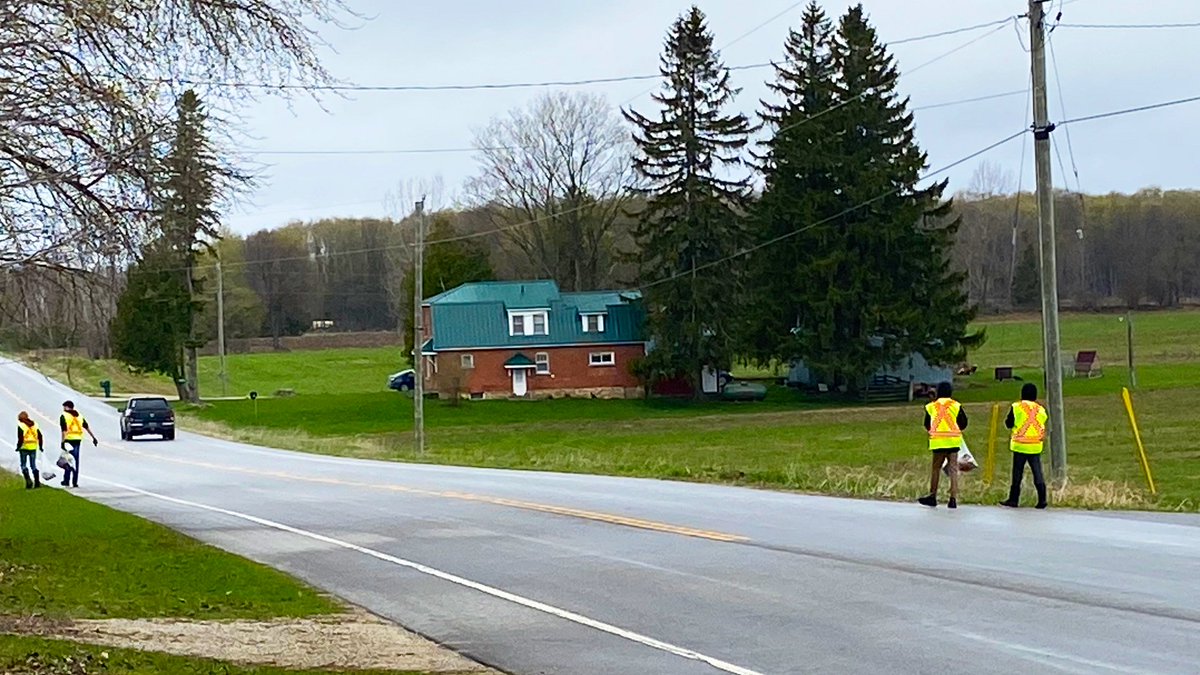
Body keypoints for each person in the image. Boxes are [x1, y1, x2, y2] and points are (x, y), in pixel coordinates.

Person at [918, 381, 968, 509]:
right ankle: (953, 499)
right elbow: (963, 423)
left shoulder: (931, 406)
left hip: (938, 441)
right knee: (953, 470)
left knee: (936, 469)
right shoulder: (956, 405)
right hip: (953, 441)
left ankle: (933, 496)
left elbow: (927, 424)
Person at [1001, 383, 1049, 509]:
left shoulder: (1016, 407)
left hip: (1020, 445)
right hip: (1035, 445)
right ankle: (1042, 499)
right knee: (1037, 472)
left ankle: (1014, 499)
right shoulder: (1041, 409)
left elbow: (1009, 423)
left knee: (1017, 473)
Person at [59, 400, 97, 488]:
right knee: (75, 461)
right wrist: (93, 437)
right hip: (78, 440)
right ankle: (74, 481)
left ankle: (66, 480)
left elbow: (64, 430)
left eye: (64, 407)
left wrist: (63, 441)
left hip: (69, 440)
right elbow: (87, 427)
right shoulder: (79, 416)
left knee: (68, 460)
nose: (63, 409)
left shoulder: (64, 416)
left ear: (68, 407)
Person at [16, 412, 43, 489]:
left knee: (23, 465)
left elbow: (20, 438)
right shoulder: (34, 425)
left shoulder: (21, 426)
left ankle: (28, 481)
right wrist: (40, 446)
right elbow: (40, 436)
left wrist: (18, 447)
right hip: (33, 447)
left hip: (24, 447)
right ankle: (37, 482)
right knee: (33, 465)